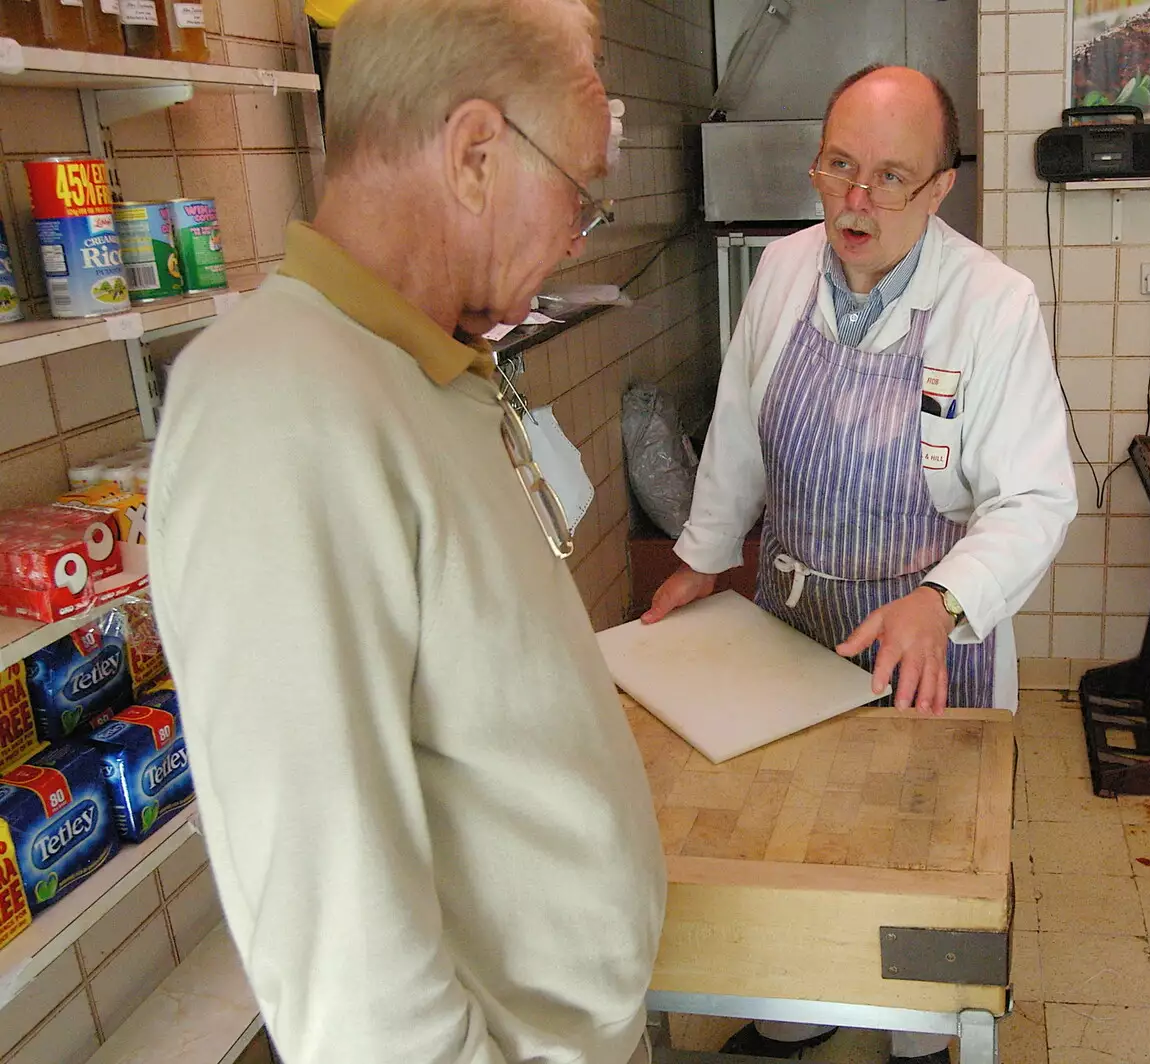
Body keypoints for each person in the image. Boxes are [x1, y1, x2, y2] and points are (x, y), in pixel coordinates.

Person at [146, 2, 665, 1063]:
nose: (577, 232)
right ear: (476, 152)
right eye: (577, 190)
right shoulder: (277, 408)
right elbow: (339, 948)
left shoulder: (420, 361)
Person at [643, 66, 1077, 1063]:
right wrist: (703, 556)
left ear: (938, 188)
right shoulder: (784, 271)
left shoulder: (993, 304)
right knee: (788, 836)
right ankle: (795, 1007)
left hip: (929, 647)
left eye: (890, 177)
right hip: (794, 627)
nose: (856, 198)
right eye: (840, 165)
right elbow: (741, 436)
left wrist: (943, 598)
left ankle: (923, 1037)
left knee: (913, 853)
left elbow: (1036, 496)